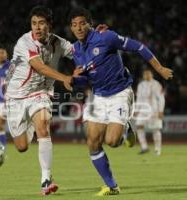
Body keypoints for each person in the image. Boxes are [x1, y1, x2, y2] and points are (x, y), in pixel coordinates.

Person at [69, 7, 173, 196]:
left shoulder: (106, 37)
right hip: (98, 96)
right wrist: (75, 80)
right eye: (74, 25)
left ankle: (125, 130)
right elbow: (88, 79)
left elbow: (138, 47)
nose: (79, 28)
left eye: (82, 23)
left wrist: (159, 68)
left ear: (89, 24)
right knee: (92, 141)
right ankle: (111, 185)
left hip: (120, 93)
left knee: (112, 141)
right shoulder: (75, 50)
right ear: (71, 28)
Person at [4, 6, 76, 195]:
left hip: (40, 92)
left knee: (43, 126)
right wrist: (66, 78)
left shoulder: (59, 42)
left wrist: (96, 38)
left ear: (49, 25)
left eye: (41, 23)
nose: (37, 27)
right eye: (34, 23)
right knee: (21, 147)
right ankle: (29, 127)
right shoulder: (24, 42)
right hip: (16, 96)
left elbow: (79, 52)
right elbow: (40, 67)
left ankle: (46, 179)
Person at [135, 68, 165, 155]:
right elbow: (139, 99)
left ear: (152, 75)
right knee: (139, 126)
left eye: (148, 74)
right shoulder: (141, 85)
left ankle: (157, 149)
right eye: (145, 74)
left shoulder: (156, 84)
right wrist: (137, 109)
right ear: (143, 75)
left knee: (155, 129)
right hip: (143, 110)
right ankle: (144, 147)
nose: (147, 75)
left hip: (153, 110)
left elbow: (161, 99)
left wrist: (161, 110)